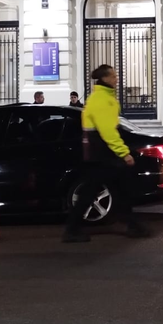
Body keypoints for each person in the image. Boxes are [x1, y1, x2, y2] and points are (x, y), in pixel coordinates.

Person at [63, 64, 149, 243]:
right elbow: (108, 131)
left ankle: (131, 224)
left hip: (99, 153)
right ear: (105, 78)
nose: (116, 78)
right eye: (113, 75)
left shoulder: (101, 97)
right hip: (102, 153)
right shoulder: (102, 100)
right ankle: (72, 230)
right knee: (96, 190)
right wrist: (124, 153)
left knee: (117, 187)